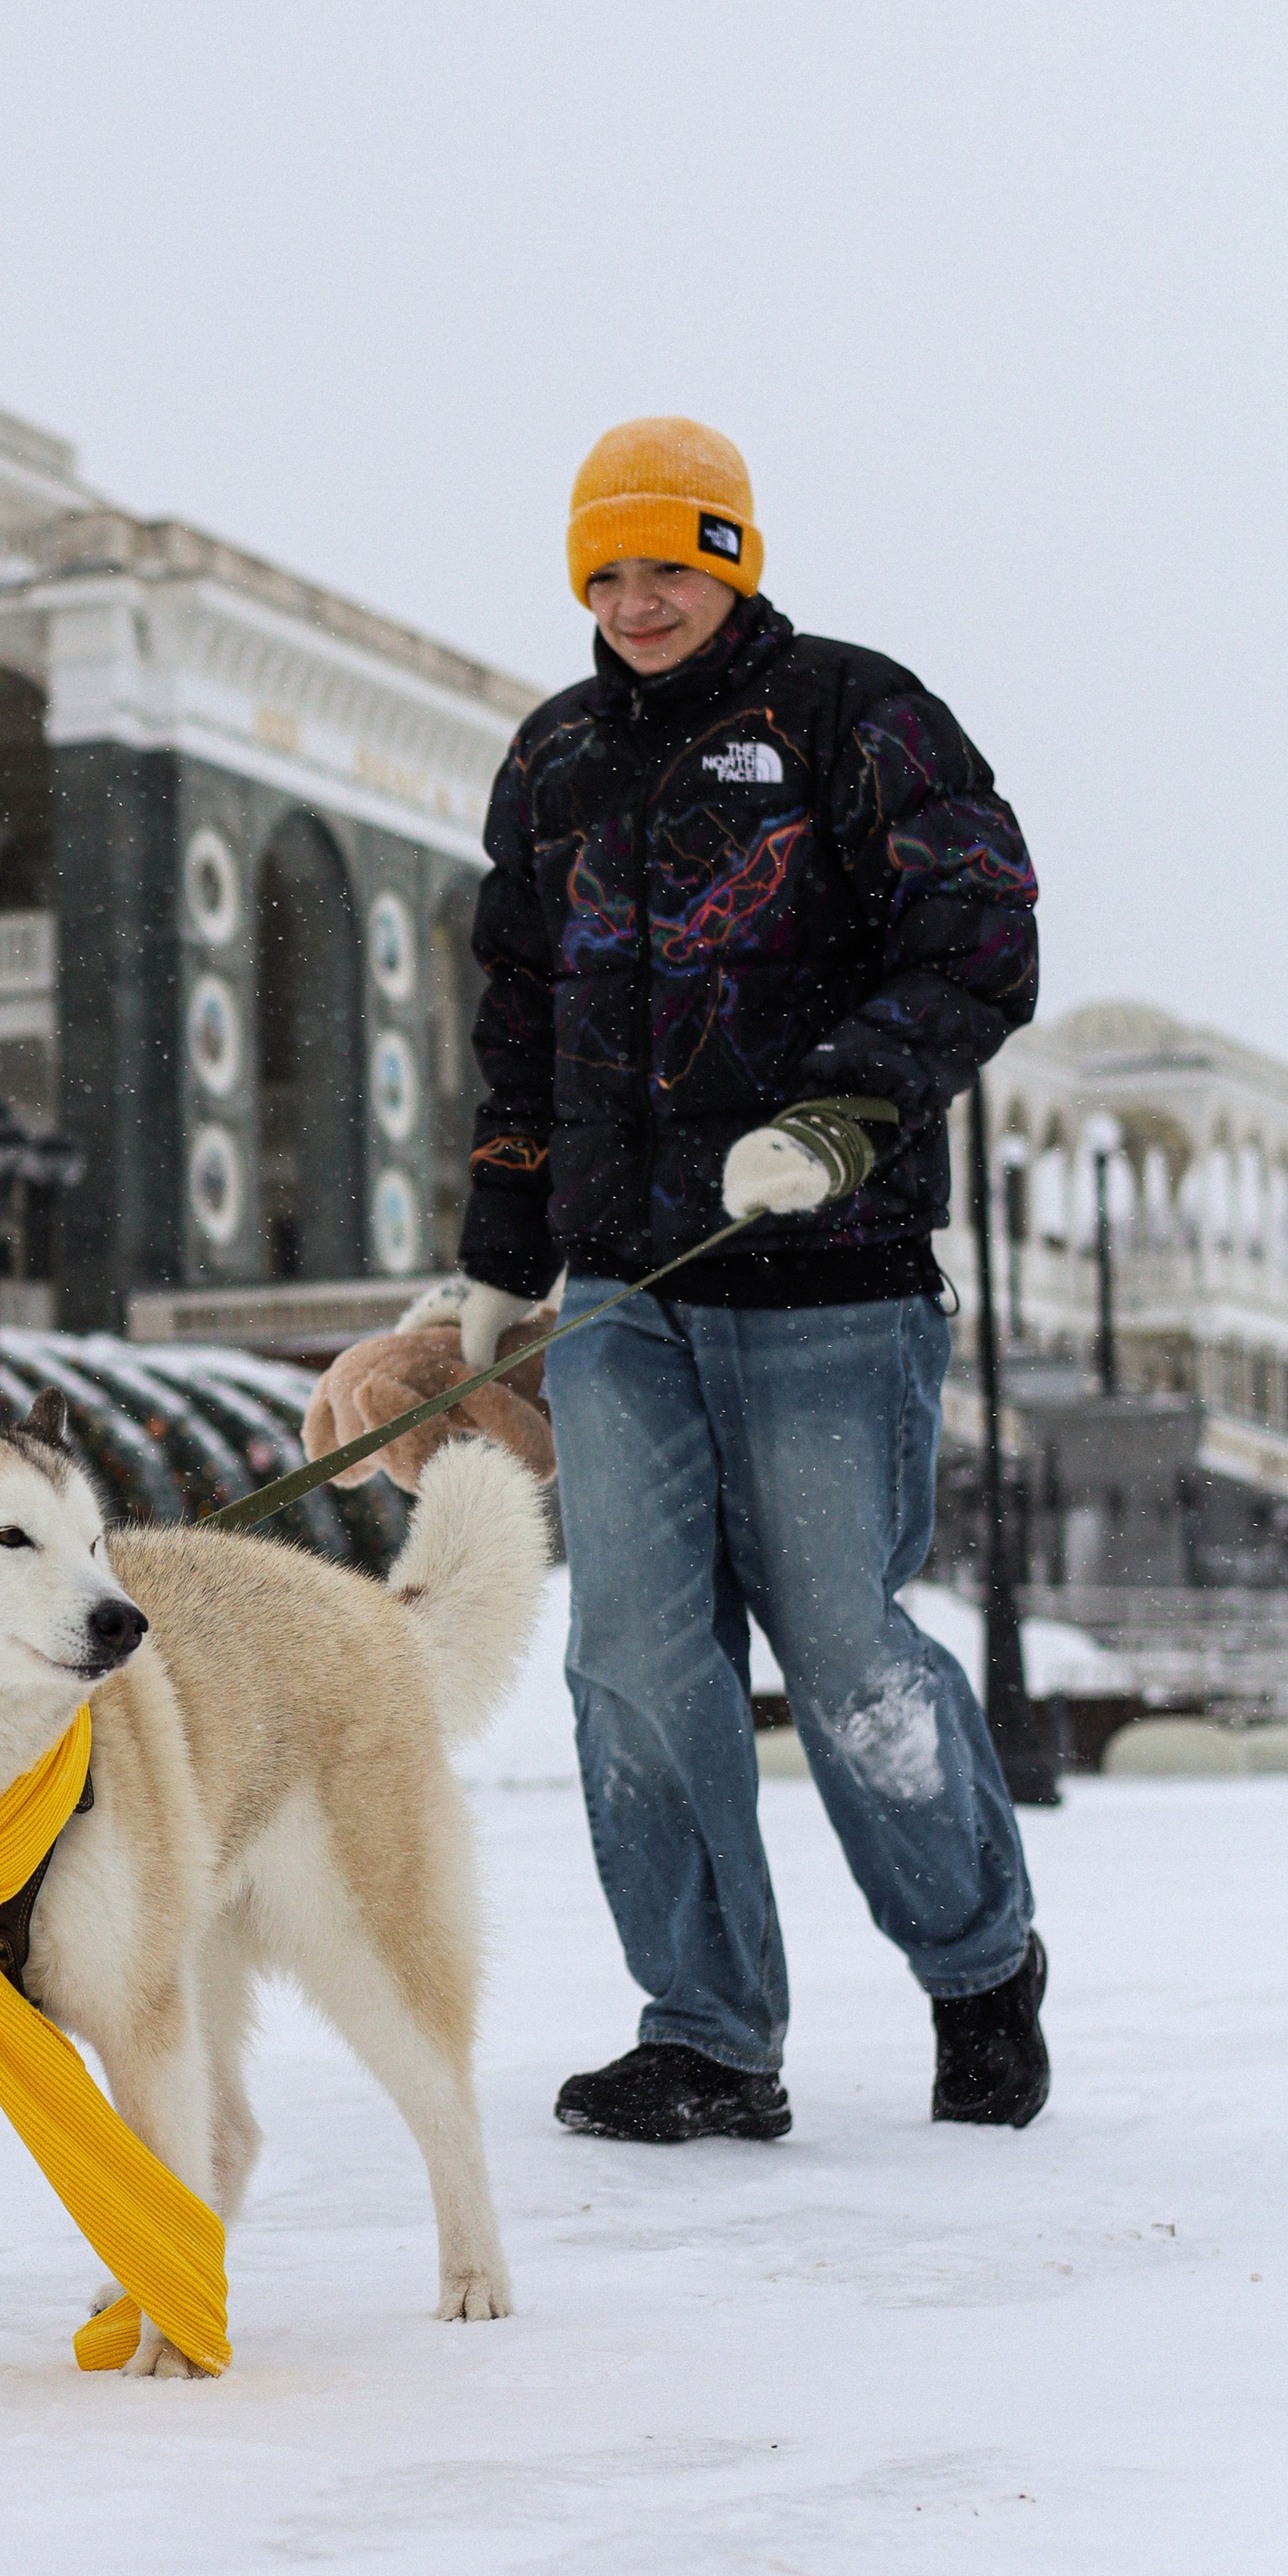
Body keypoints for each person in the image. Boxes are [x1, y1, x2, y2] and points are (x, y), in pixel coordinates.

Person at [415, 416, 1049, 2141]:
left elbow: (982, 931)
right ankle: (705, 2034)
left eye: (665, 566)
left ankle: (978, 1964)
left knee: (842, 1649)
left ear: (730, 558)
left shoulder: (850, 713)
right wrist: (495, 1257)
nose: (633, 600)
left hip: (828, 1279)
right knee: (630, 1655)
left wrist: (843, 1110)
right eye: (601, 573)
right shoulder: (550, 760)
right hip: (624, 1291)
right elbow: (521, 1021)